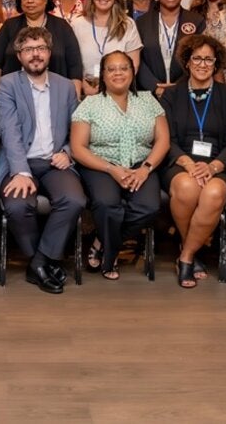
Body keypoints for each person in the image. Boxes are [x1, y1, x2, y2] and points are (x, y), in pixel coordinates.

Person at [0, 27, 86, 294]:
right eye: (28, 50)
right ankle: (44, 263)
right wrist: (21, 171)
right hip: (20, 161)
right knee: (16, 204)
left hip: (55, 162)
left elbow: (78, 128)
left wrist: (68, 151)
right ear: (19, 55)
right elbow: (9, 131)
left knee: (74, 200)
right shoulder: (7, 84)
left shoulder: (65, 86)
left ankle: (39, 262)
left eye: (41, 49)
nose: (35, 55)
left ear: (49, 52)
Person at [71, 50, 168, 280]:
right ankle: (110, 255)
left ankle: (104, 243)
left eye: (124, 68)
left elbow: (163, 140)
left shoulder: (148, 100)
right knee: (107, 204)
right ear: (103, 75)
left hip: (140, 164)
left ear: (133, 73)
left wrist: (146, 168)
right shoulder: (90, 104)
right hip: (101, 165)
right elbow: (78, 148)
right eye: (111, 69)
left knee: (149, 207)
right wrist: (111, 169)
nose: (118, 73)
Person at [160, 35, 226, 288]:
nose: (203, 64)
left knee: (214, 192)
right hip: (180, 161)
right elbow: (166, 139)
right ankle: (193, 252)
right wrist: (187, 163)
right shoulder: (171, 95)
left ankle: (185, 255)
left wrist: (213, 166)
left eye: (209, 59)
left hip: (220, 164)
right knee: (187, 187)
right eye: (197, 58)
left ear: (216, 63)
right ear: (187, 61)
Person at [0, 0, 84, 84]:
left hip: (57, 96)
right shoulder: (9, 26)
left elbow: (75, 68)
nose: (30, 0)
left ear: (46, 0)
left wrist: (74, 97)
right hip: (13, 96)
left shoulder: (62, 27)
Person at [71, 0, 143, 97]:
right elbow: (71, 63)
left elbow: (133, 65)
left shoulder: (128, 25)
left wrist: (113, 86)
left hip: (119, 93)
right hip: (86, 93)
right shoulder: (77, 24)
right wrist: (83, 85)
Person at [135, 0, 205, 98]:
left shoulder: (196, 21)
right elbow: (138, 60)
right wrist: (154, 87)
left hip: (186, 92)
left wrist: (179, 86)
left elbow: (199, 58)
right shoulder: (141, 22)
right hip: (150, 94)